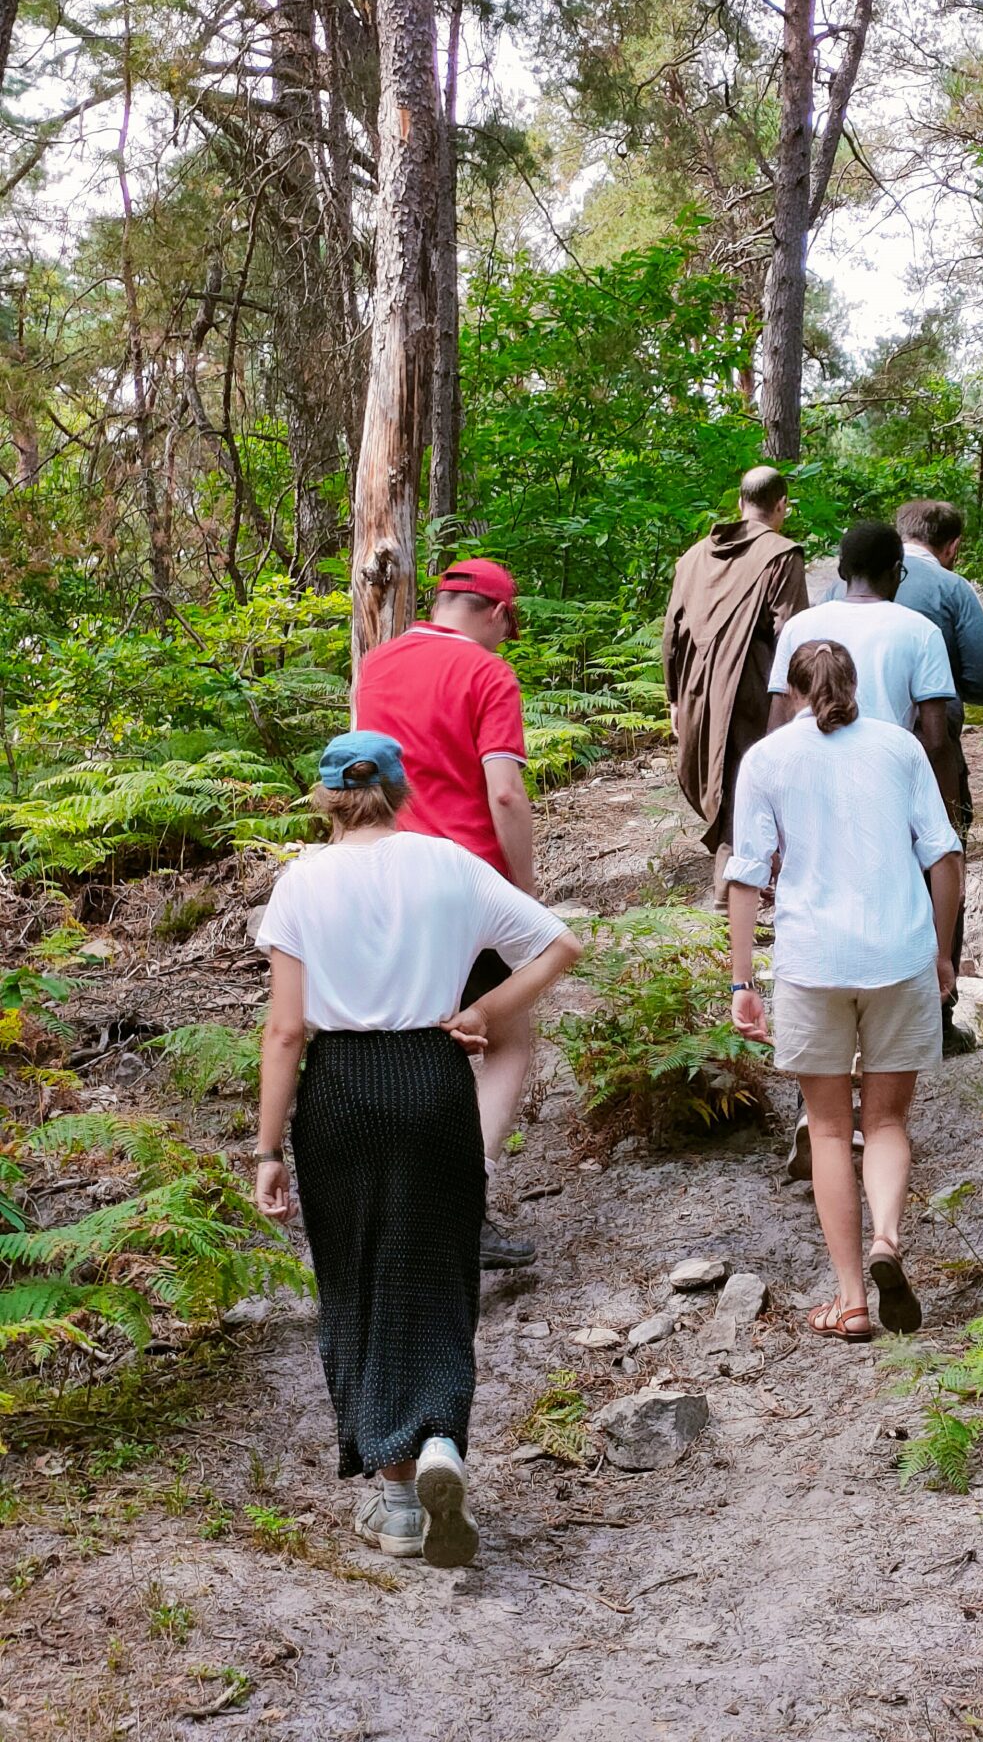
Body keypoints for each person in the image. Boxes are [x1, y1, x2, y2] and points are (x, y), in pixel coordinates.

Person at [253, 732, 581, 1567]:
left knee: (359, 1278)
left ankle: (398, 1505)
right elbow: (561, 945)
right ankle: (440, 1440)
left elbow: (286, 1030)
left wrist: (267, 1149)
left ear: (324, 799)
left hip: (340, 1092)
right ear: (402, 792)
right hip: (433, 1082)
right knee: (437, 1271)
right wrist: (485, 1013)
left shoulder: (301, 883)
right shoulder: (449, 865)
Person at [726, 644, 961, 1339]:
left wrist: (742, 979)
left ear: (795, 692)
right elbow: (944, 855)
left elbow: (746, 874)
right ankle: (888, 1237)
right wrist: (941, 952)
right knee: (886, 1123)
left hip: (814, 962)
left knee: (828, 1130)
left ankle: (852, 1300)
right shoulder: (899, 748)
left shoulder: (766, 759)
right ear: (855, 685)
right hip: (899, 954)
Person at [354, 558, 540, 1270]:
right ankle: (465, 1199)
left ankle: (395, 1206)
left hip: (382, 874)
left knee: (411, 1042)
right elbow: (506, 794)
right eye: (508, 628)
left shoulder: (376, 665)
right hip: (467, 882)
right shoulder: (488, 674)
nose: (505, 641)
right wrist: (523, 891)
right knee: (509, 1041)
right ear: (496, 613)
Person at [891, 499, 983, 1052]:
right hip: (930, 748)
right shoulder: (951, 589)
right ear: (952, 545)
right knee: (941, 861)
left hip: (845, 748)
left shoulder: (844, 587)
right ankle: (936, 1015)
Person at [663, 466, 808, 908]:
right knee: (751, 788)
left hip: (697, 690)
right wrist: (803, 700)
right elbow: (792, 634)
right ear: (781, 505)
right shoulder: (782, 555)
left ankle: (739, 894)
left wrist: (674, 698)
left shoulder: (692, 558)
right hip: (754, 689)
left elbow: (671, 634)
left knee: (728, 789)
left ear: (740, 502)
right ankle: (735, 899)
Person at [767, 520, 961, 820]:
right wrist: (950, 821)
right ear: (896, 570)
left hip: (810, 792)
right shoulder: (922, 631)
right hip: (886, 793)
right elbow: (936, 743)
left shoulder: (798, 627)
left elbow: (777, 727)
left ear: (841, 571)